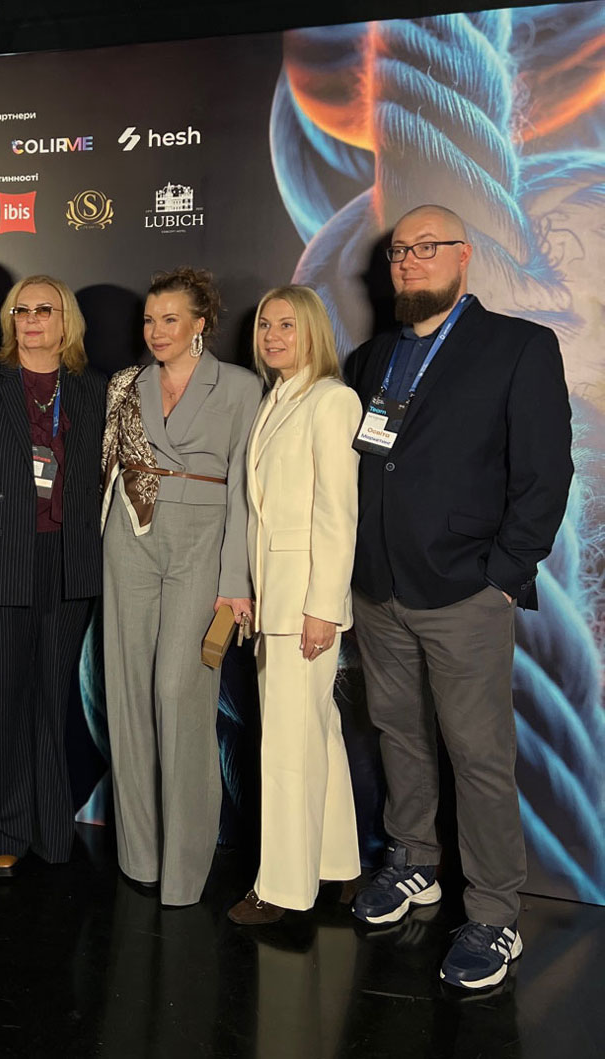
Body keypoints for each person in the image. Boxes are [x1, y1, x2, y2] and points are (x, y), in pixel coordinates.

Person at [345, 205, 573, 989]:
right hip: (379, 588)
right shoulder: (371, 359)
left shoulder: (517, 347)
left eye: (426, 247)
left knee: (478, 756)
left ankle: (495, 913)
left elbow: (545, 474)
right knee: (397, 732)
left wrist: (503, 575)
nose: (409, 261)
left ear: (464, 256)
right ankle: (414, 861)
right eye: (399, 251)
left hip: (464, 591)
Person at [0, 275, 106, 877]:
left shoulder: (92, 390)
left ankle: (50, 826)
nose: (31, 319)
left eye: (44, 310)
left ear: (66, 322)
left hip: (67, 564)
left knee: (51, 702)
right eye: (22, 310)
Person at [101, 267, 262, 907]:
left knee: (179, 691)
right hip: (130, 535)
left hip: (202, 541)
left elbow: (247, 491)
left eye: (170, 319)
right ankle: (139, 856)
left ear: (200, 323)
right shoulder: (126, 384)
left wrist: (236, 579)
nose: (157, 331)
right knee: (128, 694)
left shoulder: (241, 386)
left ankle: (185, 867)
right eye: (149, 319)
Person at [227, 285, 362, 925]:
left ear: (313, 332)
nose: (272, 336)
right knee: (316, 734)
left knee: (288, 747)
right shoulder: (275, 399)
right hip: (275, 599)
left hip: (305, 603)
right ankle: (337, 864)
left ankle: (282, 889)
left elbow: (338, 512)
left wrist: (322, 607)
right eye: (265, 325)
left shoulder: (332, 400)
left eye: (287, 325)